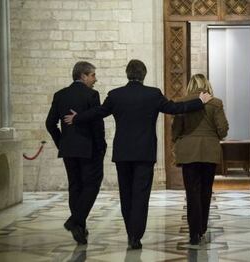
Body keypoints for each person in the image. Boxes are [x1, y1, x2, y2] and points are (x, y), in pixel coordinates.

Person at [63, 59, 213, 249]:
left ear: (128, 74)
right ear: (144, 75)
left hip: (123, 154)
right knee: (141, 196)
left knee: (126, 195)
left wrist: (77, 118)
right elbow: (175, 108)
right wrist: (200, 101)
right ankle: (136, 236)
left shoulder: (116, 95)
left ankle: (130, 232)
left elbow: (98, 112)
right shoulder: (153, 94)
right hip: (144, 153)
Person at [45, 61, 107, 245]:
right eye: (93, 75)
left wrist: (61, 142)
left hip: (69, 149)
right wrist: (100, 146)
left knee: (75, 186)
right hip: (89, 149)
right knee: (92, 184)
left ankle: (79, 229)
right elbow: (97, 123)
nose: (95, 79)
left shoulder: (60, 95)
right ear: (83, 76)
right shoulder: (91, 94)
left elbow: (50, 124)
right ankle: (75, 221)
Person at [172, 74, 228, 245]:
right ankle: (202, 227)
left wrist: (178, 140)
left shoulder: (182, 102)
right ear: (206, 84)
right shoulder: (216, 103)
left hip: (189, 152)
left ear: (190, 85)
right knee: (206, 190)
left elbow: (175, 130)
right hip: (209, 151)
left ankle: (194, 232)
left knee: (192, 192)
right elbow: (223, 129)